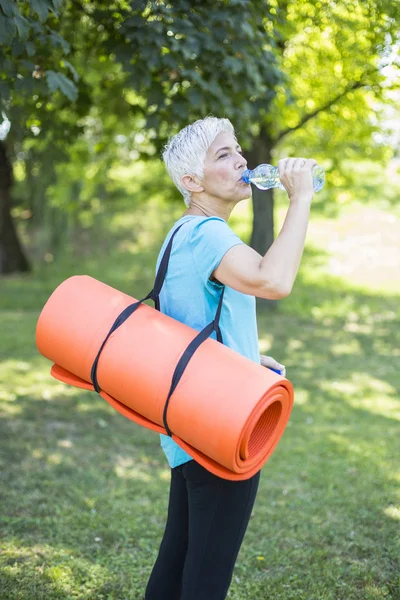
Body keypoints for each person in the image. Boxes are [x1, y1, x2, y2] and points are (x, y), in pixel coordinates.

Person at [144, 116, 317, 600]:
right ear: (191, 181)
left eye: (238, 149)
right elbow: (274, 280)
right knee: (205, 576)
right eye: (223, 154)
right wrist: (300, 197)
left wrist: (246, 358)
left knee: (179, 561)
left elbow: (190, 326)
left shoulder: (180, 235)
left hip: (188, 422)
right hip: (220, 428)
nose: (241, 160)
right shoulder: (207, 234)